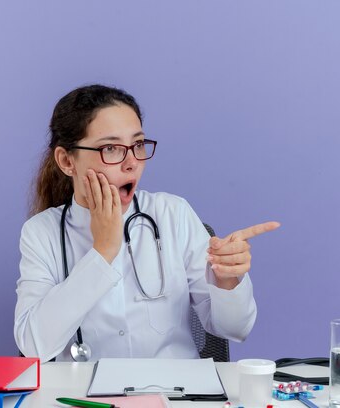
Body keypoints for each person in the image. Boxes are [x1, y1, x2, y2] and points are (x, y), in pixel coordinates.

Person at [14, 84, 279, 362]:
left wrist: (227, 280)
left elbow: (236, 329)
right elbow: (34, 346)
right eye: (111, 148)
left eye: (138, 145)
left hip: (175, 395)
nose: (131, 163)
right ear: (67, 161)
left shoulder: (172, 213)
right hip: (84, 398)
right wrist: (103, 252)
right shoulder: (41, 233)